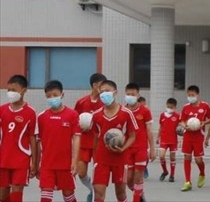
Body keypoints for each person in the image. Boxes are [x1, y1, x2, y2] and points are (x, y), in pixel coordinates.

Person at [91, 80, 139, 202]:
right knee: (98, 194)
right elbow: (95, 137)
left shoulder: (126, 113)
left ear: (115, 92)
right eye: (101, 92)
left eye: (107, 91)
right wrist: (95, 158)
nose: (104, 94)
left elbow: (132, 136)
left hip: (120, 159)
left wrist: (123, 148)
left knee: (121, 194)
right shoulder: (96, 115)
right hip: (102, 159)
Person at [35, 80, 81, 202]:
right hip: (47, 165)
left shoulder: (72, 114)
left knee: (69, 196)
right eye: (49, 96)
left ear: (62, 94)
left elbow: (76, 138)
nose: (52, 98)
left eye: (55, 95)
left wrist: (75, 161)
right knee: (45, 197)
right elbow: (38, 143)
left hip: (66, 165)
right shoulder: (41, 117)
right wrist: (36, 164)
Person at [0, 75, 38, 202]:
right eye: (9, 90)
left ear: (24, 90)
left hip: (21, 159)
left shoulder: (30, 112)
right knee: (3, 194)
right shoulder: (2, 110)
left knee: (16, 193)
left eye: (14, 90)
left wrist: (34, 162)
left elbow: (33, 138)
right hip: (3, 158)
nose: (11, 93)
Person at [73, 72, 106, 202]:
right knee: (81, 173)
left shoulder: (105, 103)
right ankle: (90, 189)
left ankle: (97, 195)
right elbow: (74, 120)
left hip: (99, 143)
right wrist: (80, 126)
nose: (104, 89)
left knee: (99, 174)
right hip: (84, 142)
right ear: (95, 85)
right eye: (102, 85)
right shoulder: (81, 102)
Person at [123, 83, 155, 202]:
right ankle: (140, 194)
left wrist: (152, 149)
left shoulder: (145, 111)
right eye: (128, 94)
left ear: (138, 95)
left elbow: (149, 131)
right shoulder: (122, 110)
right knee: (129, 180)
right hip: (127, 149)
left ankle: (136, 198)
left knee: (138, 177)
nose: (130, 96)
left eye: (133, 94)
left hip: (141, 148)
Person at [179, 85, 210, 192]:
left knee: (198, 160)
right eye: (189, 95)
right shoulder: (185, 107)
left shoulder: (205, 106)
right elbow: (181, 121)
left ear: (197, 95)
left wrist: (203, 123)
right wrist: (185, 126)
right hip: (188, 135)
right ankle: (187, 181)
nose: (190, 97)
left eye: (192, 95)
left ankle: (202, 173)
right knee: (187, 157)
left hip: (198, 136)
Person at [158, 98, 180, 183]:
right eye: (168, 106)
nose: (169, 108)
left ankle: (172, 175)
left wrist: (181, 130)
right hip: (164, 139)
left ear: (175, 107)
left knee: (172, 157)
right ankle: (165, 171)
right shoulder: (162, 115)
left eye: (171, 107)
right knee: (161, 156)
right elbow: (161, 126)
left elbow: (181, 126)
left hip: (173, 140)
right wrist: (158, 137)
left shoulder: (177, 116)